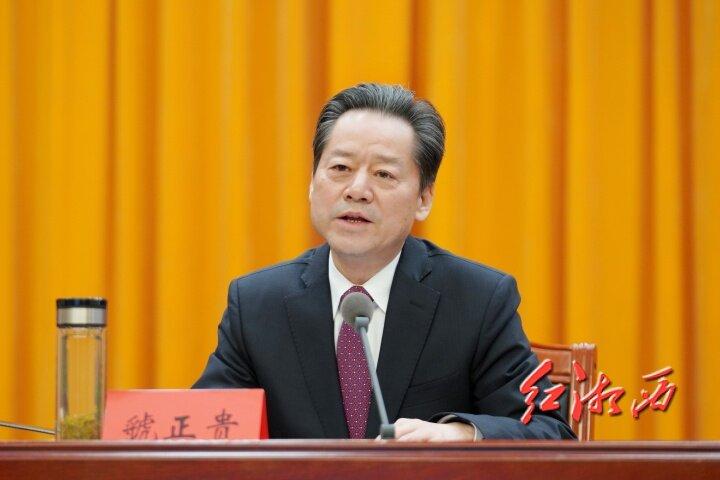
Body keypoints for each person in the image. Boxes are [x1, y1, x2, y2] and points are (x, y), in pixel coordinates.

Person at [193, 83, 575, 441]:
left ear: (424, 198)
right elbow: (203, 433)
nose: (357, 190)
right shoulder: (257, 304)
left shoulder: (476, 301)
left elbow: (549, 429)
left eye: (384, 174)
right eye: (340, 168)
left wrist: (459, 435)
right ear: (312, 182)